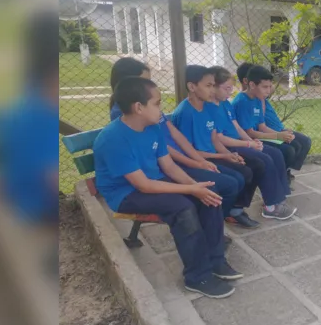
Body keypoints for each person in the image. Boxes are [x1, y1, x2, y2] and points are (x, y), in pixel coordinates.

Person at [94, 76, 240, 298]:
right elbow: (143, 185)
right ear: (139, 107)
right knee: (182, 207)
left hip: (154, 181)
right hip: (126, 193)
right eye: (157, 103)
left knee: (210, 194)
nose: (162, 109)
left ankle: (215, 260)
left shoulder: (152, 127)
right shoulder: (113, 138)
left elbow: (169, 166)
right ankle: (197, 276)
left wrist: (196, 186)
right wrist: (191, 190)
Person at [107, 58, 255, 228]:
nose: (150, 85)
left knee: (235, 179)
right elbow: (163, 150)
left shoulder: (148, 106)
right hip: (167, 166)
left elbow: (176, 135)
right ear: (129, 84)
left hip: (180, 161)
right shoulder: (127, 114)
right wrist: (196, 163)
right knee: (223, 186)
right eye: (145, 80)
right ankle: (210, 227)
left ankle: (212, 226)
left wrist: (200, 161)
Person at [173, 65, 297, 221]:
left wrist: (248, 143)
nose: (212, 91)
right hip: (206, 156)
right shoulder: (192, 111)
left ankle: (268, 201)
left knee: (272, 155)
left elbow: (222, 133)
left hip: (221, 150)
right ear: (192, 86)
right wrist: (233, 151)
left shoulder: (217, 105)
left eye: (213, 86)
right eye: (209, 86)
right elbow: (201, 145)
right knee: (253, 166)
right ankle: (239, 209)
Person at [234, 63, 312, 182]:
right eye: (265, 87)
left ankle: (282, 173)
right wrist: (278, 135)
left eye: (269, 86)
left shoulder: (258, 99)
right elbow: (250, 132)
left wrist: (281, 135)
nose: (268, 90)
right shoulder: (243, 101)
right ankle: (278, 177)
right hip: (248, 139)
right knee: (287, 150)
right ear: (250, 83)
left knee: (297, 143)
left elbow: (262, 126)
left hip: (261, 134)